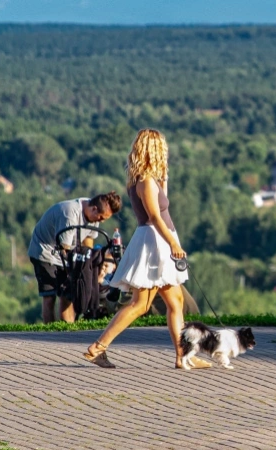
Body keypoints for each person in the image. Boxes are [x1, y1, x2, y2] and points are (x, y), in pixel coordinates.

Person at [83, 128, 210, 369]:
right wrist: (173, 243)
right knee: (140, 304)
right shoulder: (145, 182)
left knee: (175, 302)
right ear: (154, 151)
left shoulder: (144, 180)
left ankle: (183, 356)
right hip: (155, 244)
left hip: (155, 241)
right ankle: (98, 347)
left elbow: (164, 206)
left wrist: (164, 178)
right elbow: (155, 217)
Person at [28, 192, 122, 323]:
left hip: (66, 251)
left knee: (68, 293)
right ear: (94, 208)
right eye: (100, 218)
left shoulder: (93, 215)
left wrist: (88, 262)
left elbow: (88, 241)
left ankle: (68, 329)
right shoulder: (70, 213)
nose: (101, 221)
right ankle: (50, 332)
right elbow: (64, 247)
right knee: (50, 295)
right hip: (46, 251)